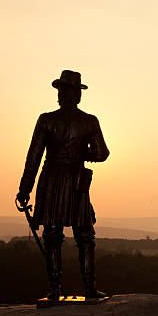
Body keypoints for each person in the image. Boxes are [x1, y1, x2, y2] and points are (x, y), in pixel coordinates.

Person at [16, 70, 109, 300]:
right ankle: (89, 288)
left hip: (51, 180)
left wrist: (25, 189)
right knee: (85, 235)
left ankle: (55, 289)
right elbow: (101, 153)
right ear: (77, 95)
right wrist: (80, 154)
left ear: (60, 93)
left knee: (52, 235)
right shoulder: (89, 121)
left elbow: (34, 157)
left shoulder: (46, 120)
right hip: (76, 180)